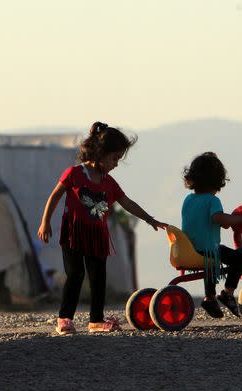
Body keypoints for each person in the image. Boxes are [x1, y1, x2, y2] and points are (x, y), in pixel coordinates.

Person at [38, 122, 167, 335]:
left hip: (98, 236)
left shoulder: (110, 183)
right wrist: (45, 221)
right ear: (100, 153)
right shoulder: (75, 173)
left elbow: (128, 203)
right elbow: (55, 195)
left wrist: (150, 219)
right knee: (75, 274)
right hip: (74, 234)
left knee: (99, 278)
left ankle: (95, 320)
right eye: (114, 158)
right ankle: (64, 319)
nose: (116, 164)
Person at [180, 152, 242, 318]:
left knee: (211, 261)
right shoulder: (212, 201)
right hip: (207, 250)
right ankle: (228, 293)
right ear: (216, 180)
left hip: (190, 249)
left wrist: (226, 221)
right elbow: (218, 218)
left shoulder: (188, 199)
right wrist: (240, 219)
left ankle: (210, 298)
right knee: (238, 259)